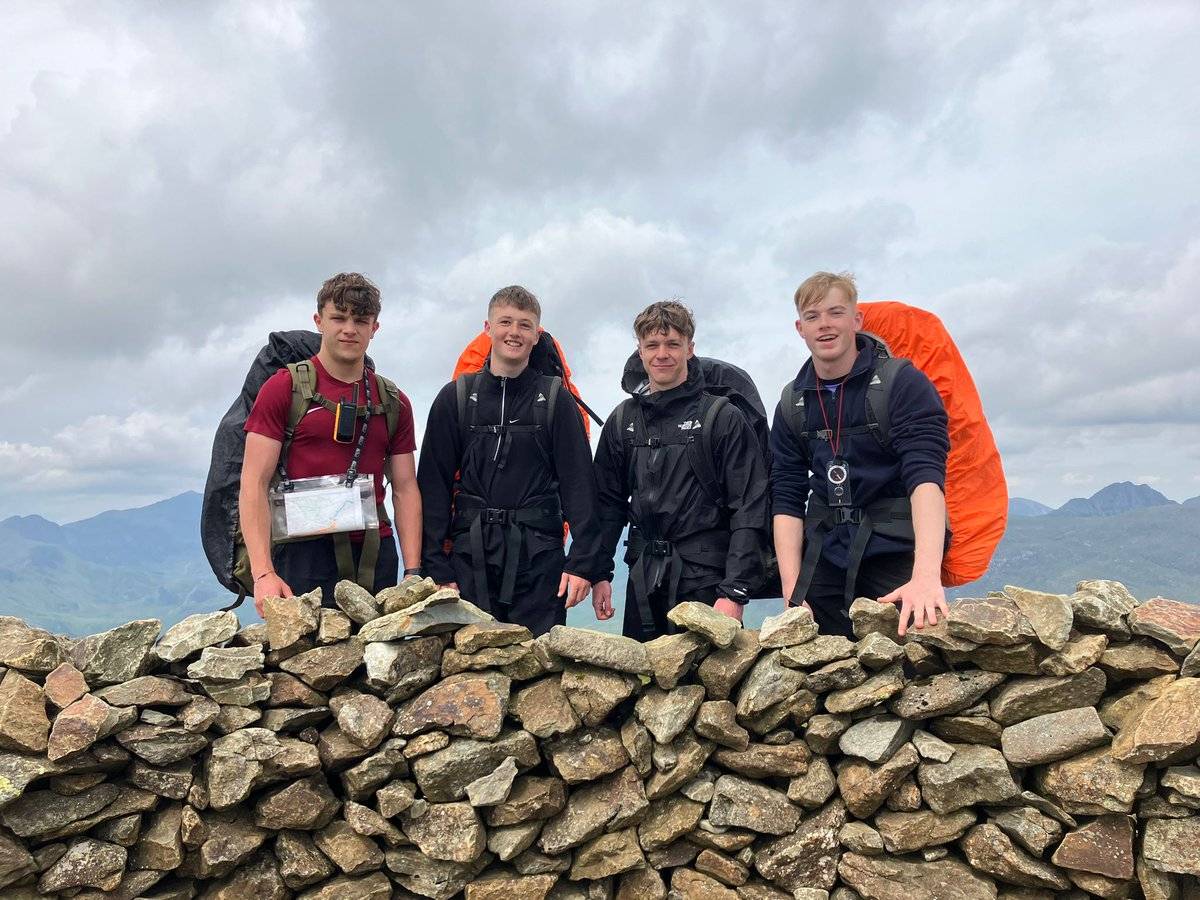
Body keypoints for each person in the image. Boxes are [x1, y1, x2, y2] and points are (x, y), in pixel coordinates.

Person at [770, 272, 950, 638]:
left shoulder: (903, 384)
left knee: (912, 656)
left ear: (856, 320)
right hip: (825, 554)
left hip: (896, 549)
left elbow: (925, 476)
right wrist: (791, 592)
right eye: (812, 316)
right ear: (800, 328)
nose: (824, 324)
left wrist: (926, 577)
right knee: (814, 666)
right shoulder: (793, 401)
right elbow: (786, 493)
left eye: (836, 312)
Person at [417, 285, 605, 636]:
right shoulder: (456, 397)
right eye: (505, 322)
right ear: (488, 328)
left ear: (536, 335)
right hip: (470, 559)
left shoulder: (556, 400)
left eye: (524, 325)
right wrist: (435, 565)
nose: (514, 332)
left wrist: (582, 563)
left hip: (540, 562)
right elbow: (433, 484)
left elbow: (579, 486)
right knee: (468, 662)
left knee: (538, 665)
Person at [240, 273, 421, 615]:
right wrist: (263, 573)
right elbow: (253, 482)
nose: (349, 329)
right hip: (300, 558)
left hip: (374, 555)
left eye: (361, 321)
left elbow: (405, 488)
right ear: (319, 321)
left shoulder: (393, 401)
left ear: (374, 328)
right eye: (339, 318)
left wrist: (413, 571)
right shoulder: (282, 390)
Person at [592, 300, 770, 639]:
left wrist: (735, 592)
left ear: (690, 348)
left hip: (708, 582)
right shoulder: (623, 420)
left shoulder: (722, 417)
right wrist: (599, 572)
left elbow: (749, 506)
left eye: (673, 344)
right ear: (640, 351)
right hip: (643, 580)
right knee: (640, 674)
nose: (662, 354)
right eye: (652, 345)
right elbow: (607, 504)